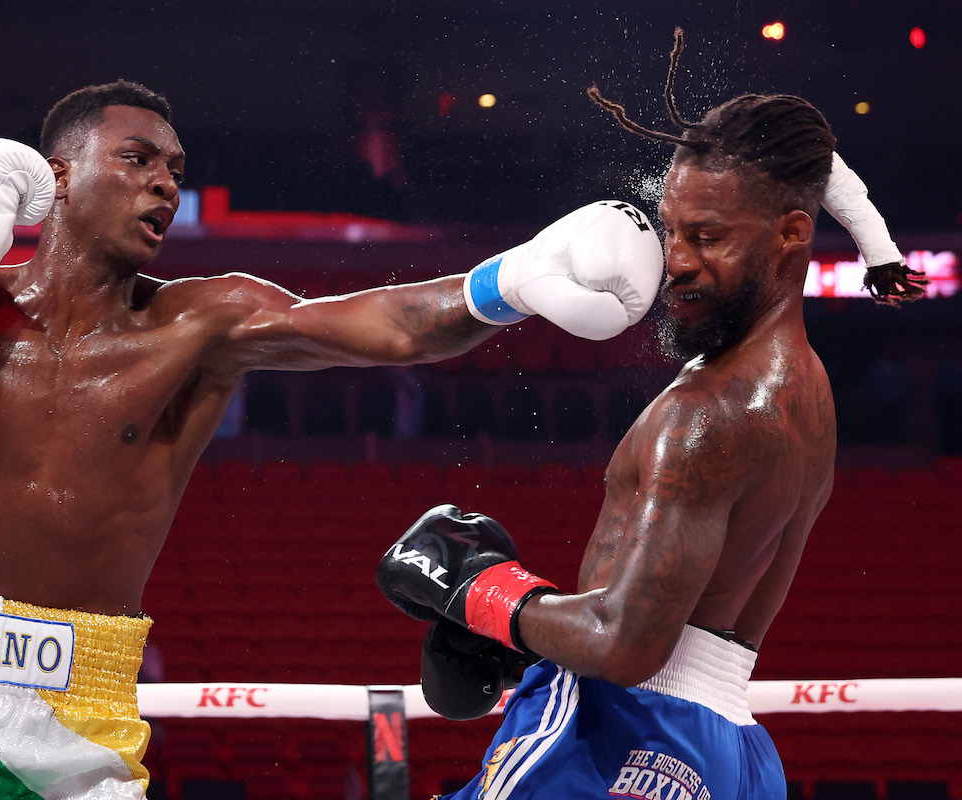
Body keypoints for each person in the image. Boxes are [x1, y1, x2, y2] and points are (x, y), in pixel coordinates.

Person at [0, 80, 664, 798]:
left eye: (176, 170)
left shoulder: (199, 323)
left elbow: (385, 324)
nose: (165, 185)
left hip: (71, 720)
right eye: (137, 160)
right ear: (58, 177)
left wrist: (511, 279)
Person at [376, 28, 925, 800]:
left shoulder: (704, 414)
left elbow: (627, 645)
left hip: (619, 729)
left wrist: (475, 590)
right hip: (730, 752)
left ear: (792, 235)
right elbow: (688, 618)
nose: (676, 259)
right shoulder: (806, 390)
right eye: (671, 230)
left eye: (708, 237)